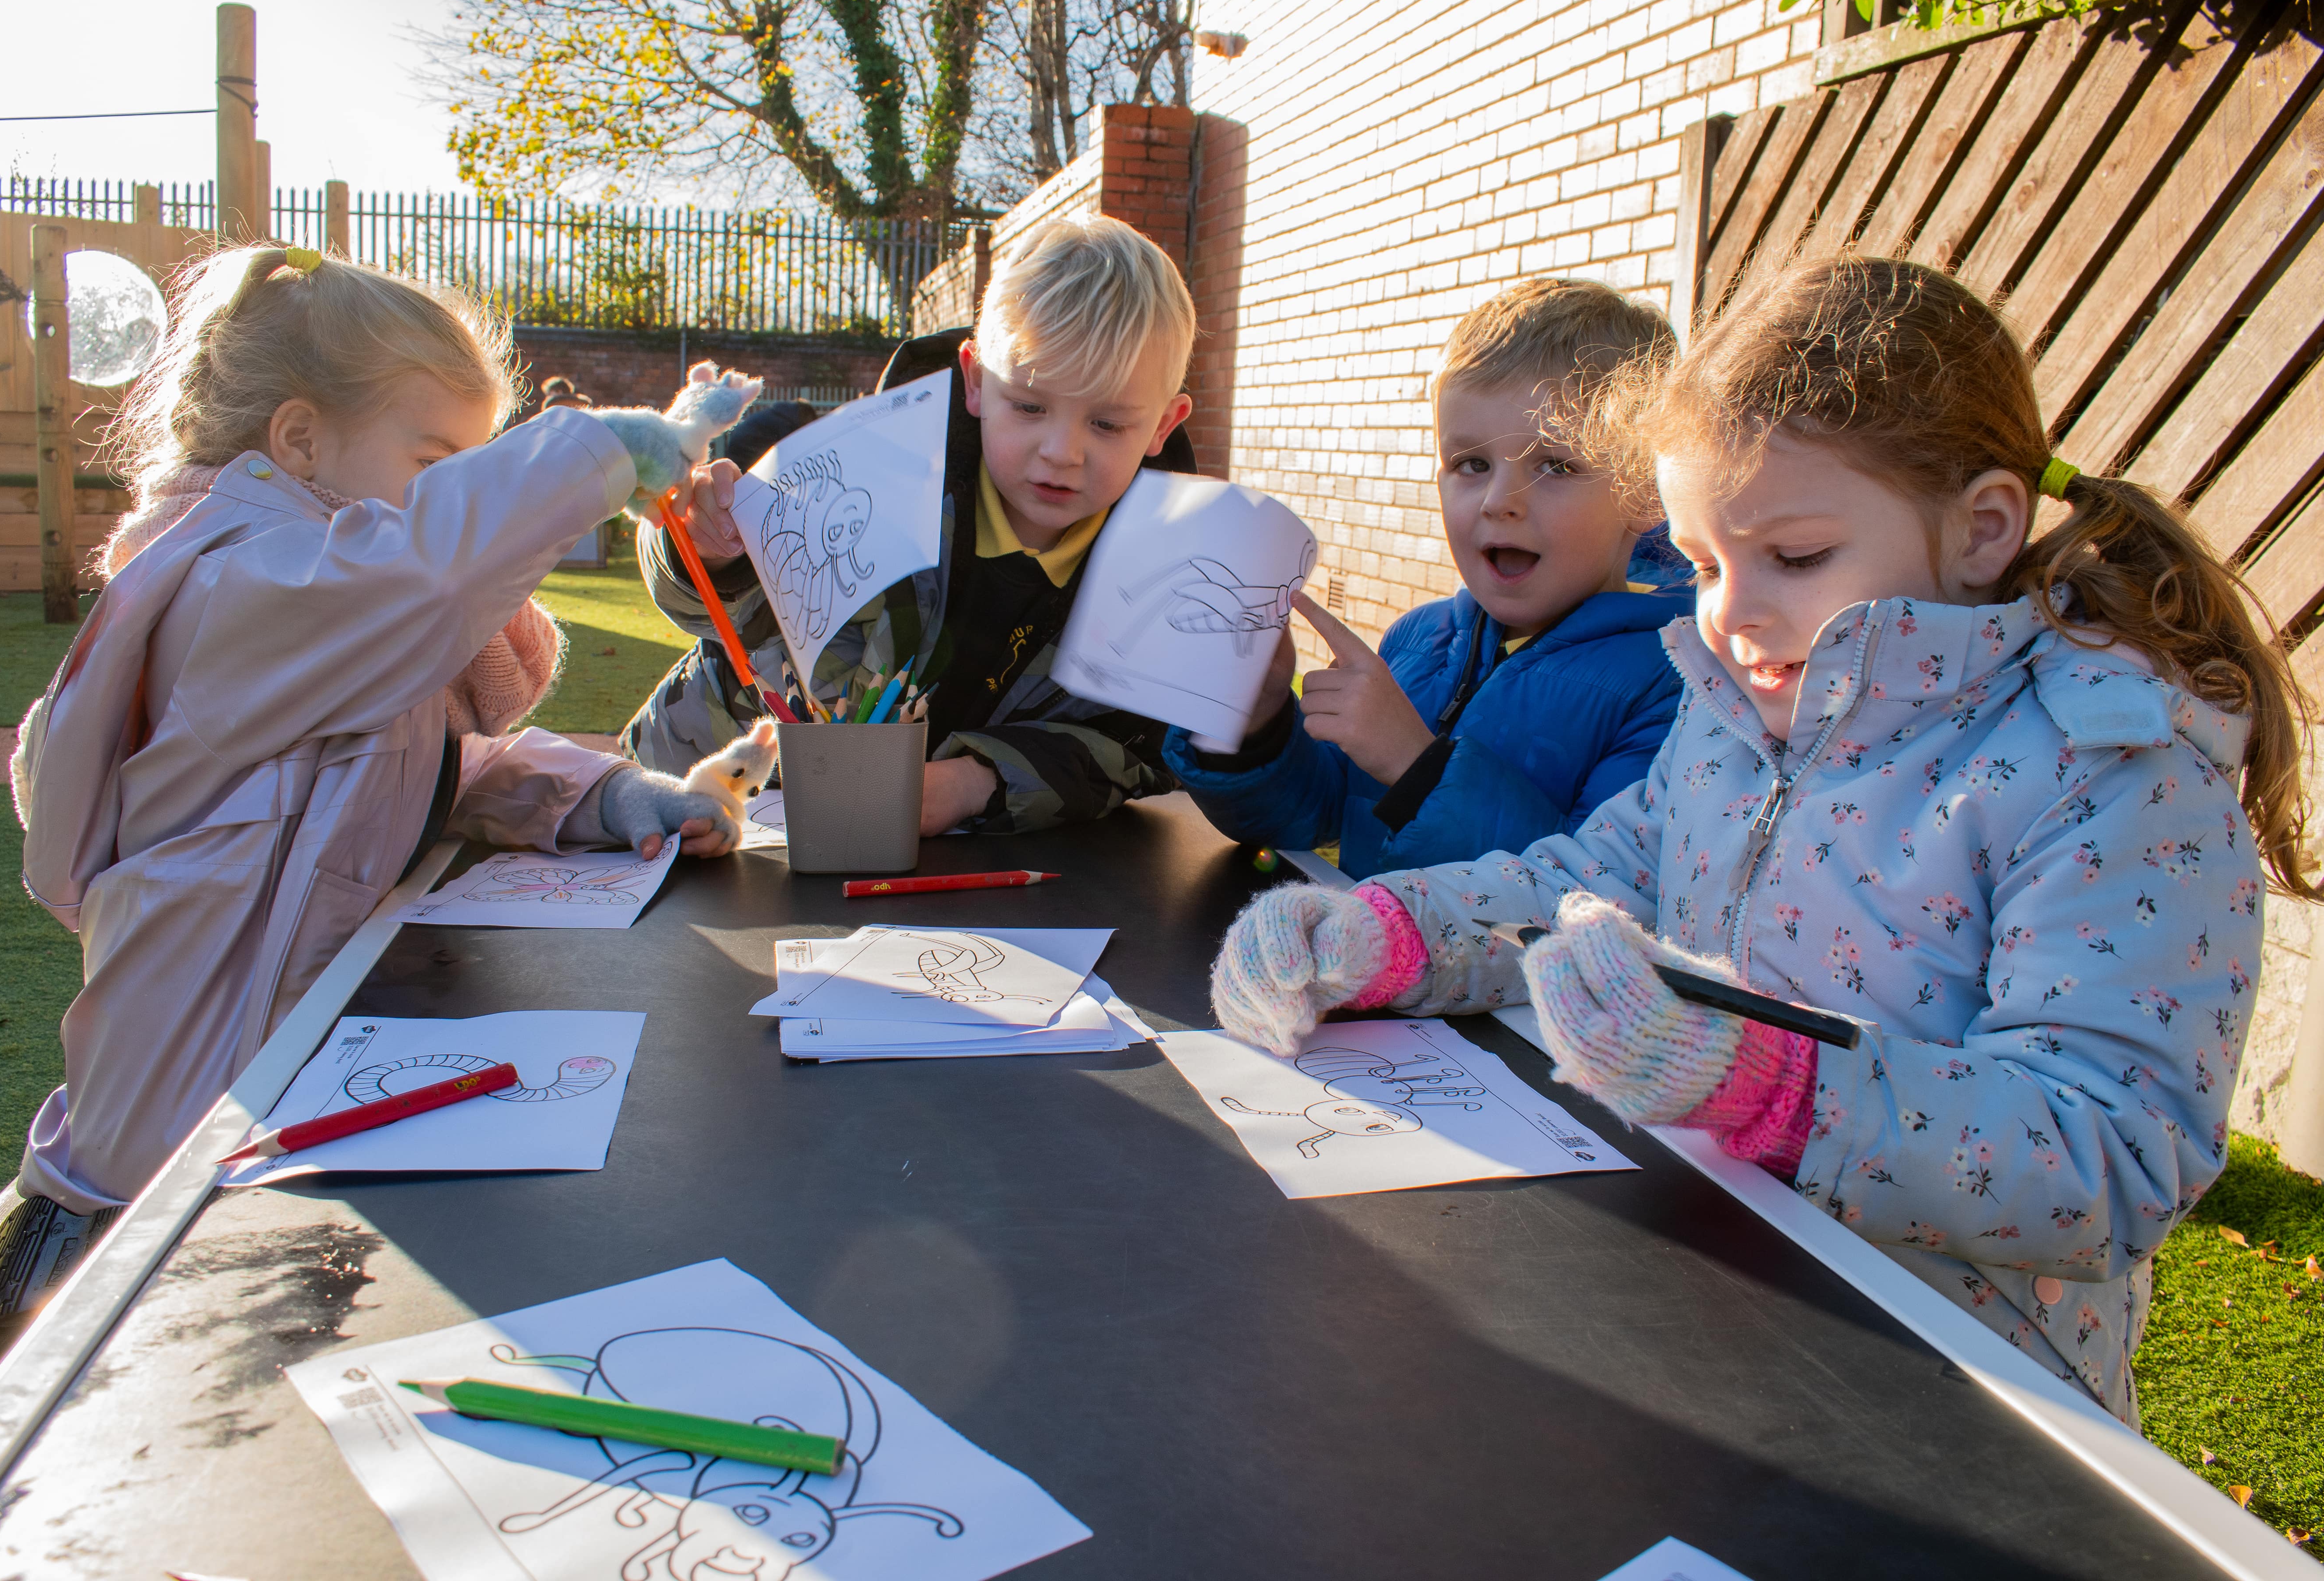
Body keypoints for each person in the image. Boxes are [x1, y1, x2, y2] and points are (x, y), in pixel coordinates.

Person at [1204, 255, 2313, 1427]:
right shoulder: (1737, 709)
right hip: (1724, 1310)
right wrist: (1385, 938)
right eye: (1703, 563)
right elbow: (1593, 878)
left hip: (1961, 1397)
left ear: (1983, 528)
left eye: (1793, 558)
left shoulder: (2107, 771)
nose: (1729, 614)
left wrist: (1770, 1086)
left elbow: (2110, 1151)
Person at [0, 245, 758, 1322]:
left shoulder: (332, 624)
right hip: (152, 1170)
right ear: (300, 440)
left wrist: (606, 795)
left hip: (288, 1097)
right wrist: (599, 454)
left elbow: (424, 764)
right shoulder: (231, 589)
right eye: (440, 463)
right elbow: (420, 577)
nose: (463, 493)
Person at [622, 214, 1197, 836]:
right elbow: (709, 609)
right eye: (1030, 406)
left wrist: (985, 779)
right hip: (688, 797)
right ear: (975, 382)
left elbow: (1146, 750)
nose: (1062, 451)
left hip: (932, 863)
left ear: (1163, 426)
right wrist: (707, 550)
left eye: (1107, 424)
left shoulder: (1170, 584)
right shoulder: (864, 468)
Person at [1166, 279, 1688, 879]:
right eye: (1471, 464)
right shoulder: (1417, 640)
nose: (1500, 501)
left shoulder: (1673, 685)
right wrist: (1253, 723)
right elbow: (1312, 824)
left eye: (1557, 465)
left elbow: (1597, 896)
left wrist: (1418, 767)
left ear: (1646, 492)